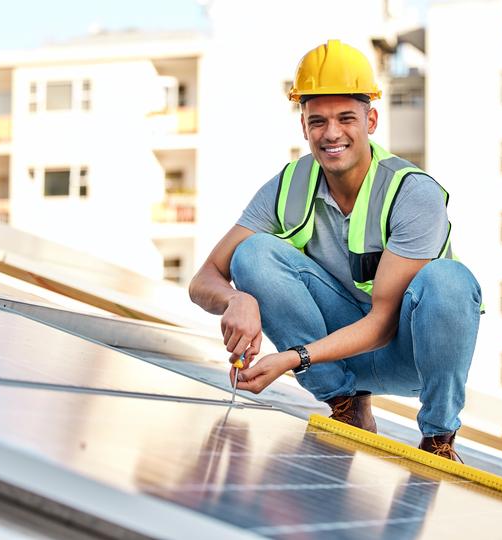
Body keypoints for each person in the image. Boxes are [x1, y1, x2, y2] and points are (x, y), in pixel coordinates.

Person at [189, 39, 482, 460]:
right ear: (303, 125)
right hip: (338, 363)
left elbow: (382, 325)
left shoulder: (413, 193)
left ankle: (438, 438)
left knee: (450, 280)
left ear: (371, 119)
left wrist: (293, 358)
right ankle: (347, 406)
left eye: (346, 118)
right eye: (317, 121)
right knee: (251, 254)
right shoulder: (288, 185)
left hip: (413, 356)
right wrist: (236, 299)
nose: (331, 134)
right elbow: (203, 280)